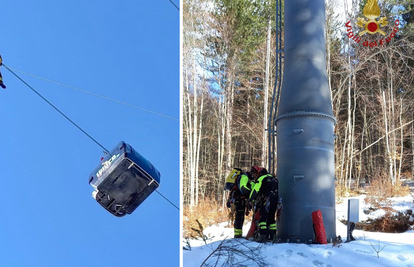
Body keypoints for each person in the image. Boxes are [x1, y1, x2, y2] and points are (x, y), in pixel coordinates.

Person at [249, 167, 279, 243]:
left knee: (263, 218)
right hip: (275, 201)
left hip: (265, 200)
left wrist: (250, 200)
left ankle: (263, 236)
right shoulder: (274, 179)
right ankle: (273, 236)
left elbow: (255, 190)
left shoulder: (261, 178)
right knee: (271, 218)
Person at [225, 168, 255, 238]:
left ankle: (238, 233)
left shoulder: (243, 177)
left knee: (239, 216)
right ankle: (238, 235)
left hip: (238, 199)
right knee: (239, 217)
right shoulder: (244, 177)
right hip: (240, 199)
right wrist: (250, 194)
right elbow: (243, 187)